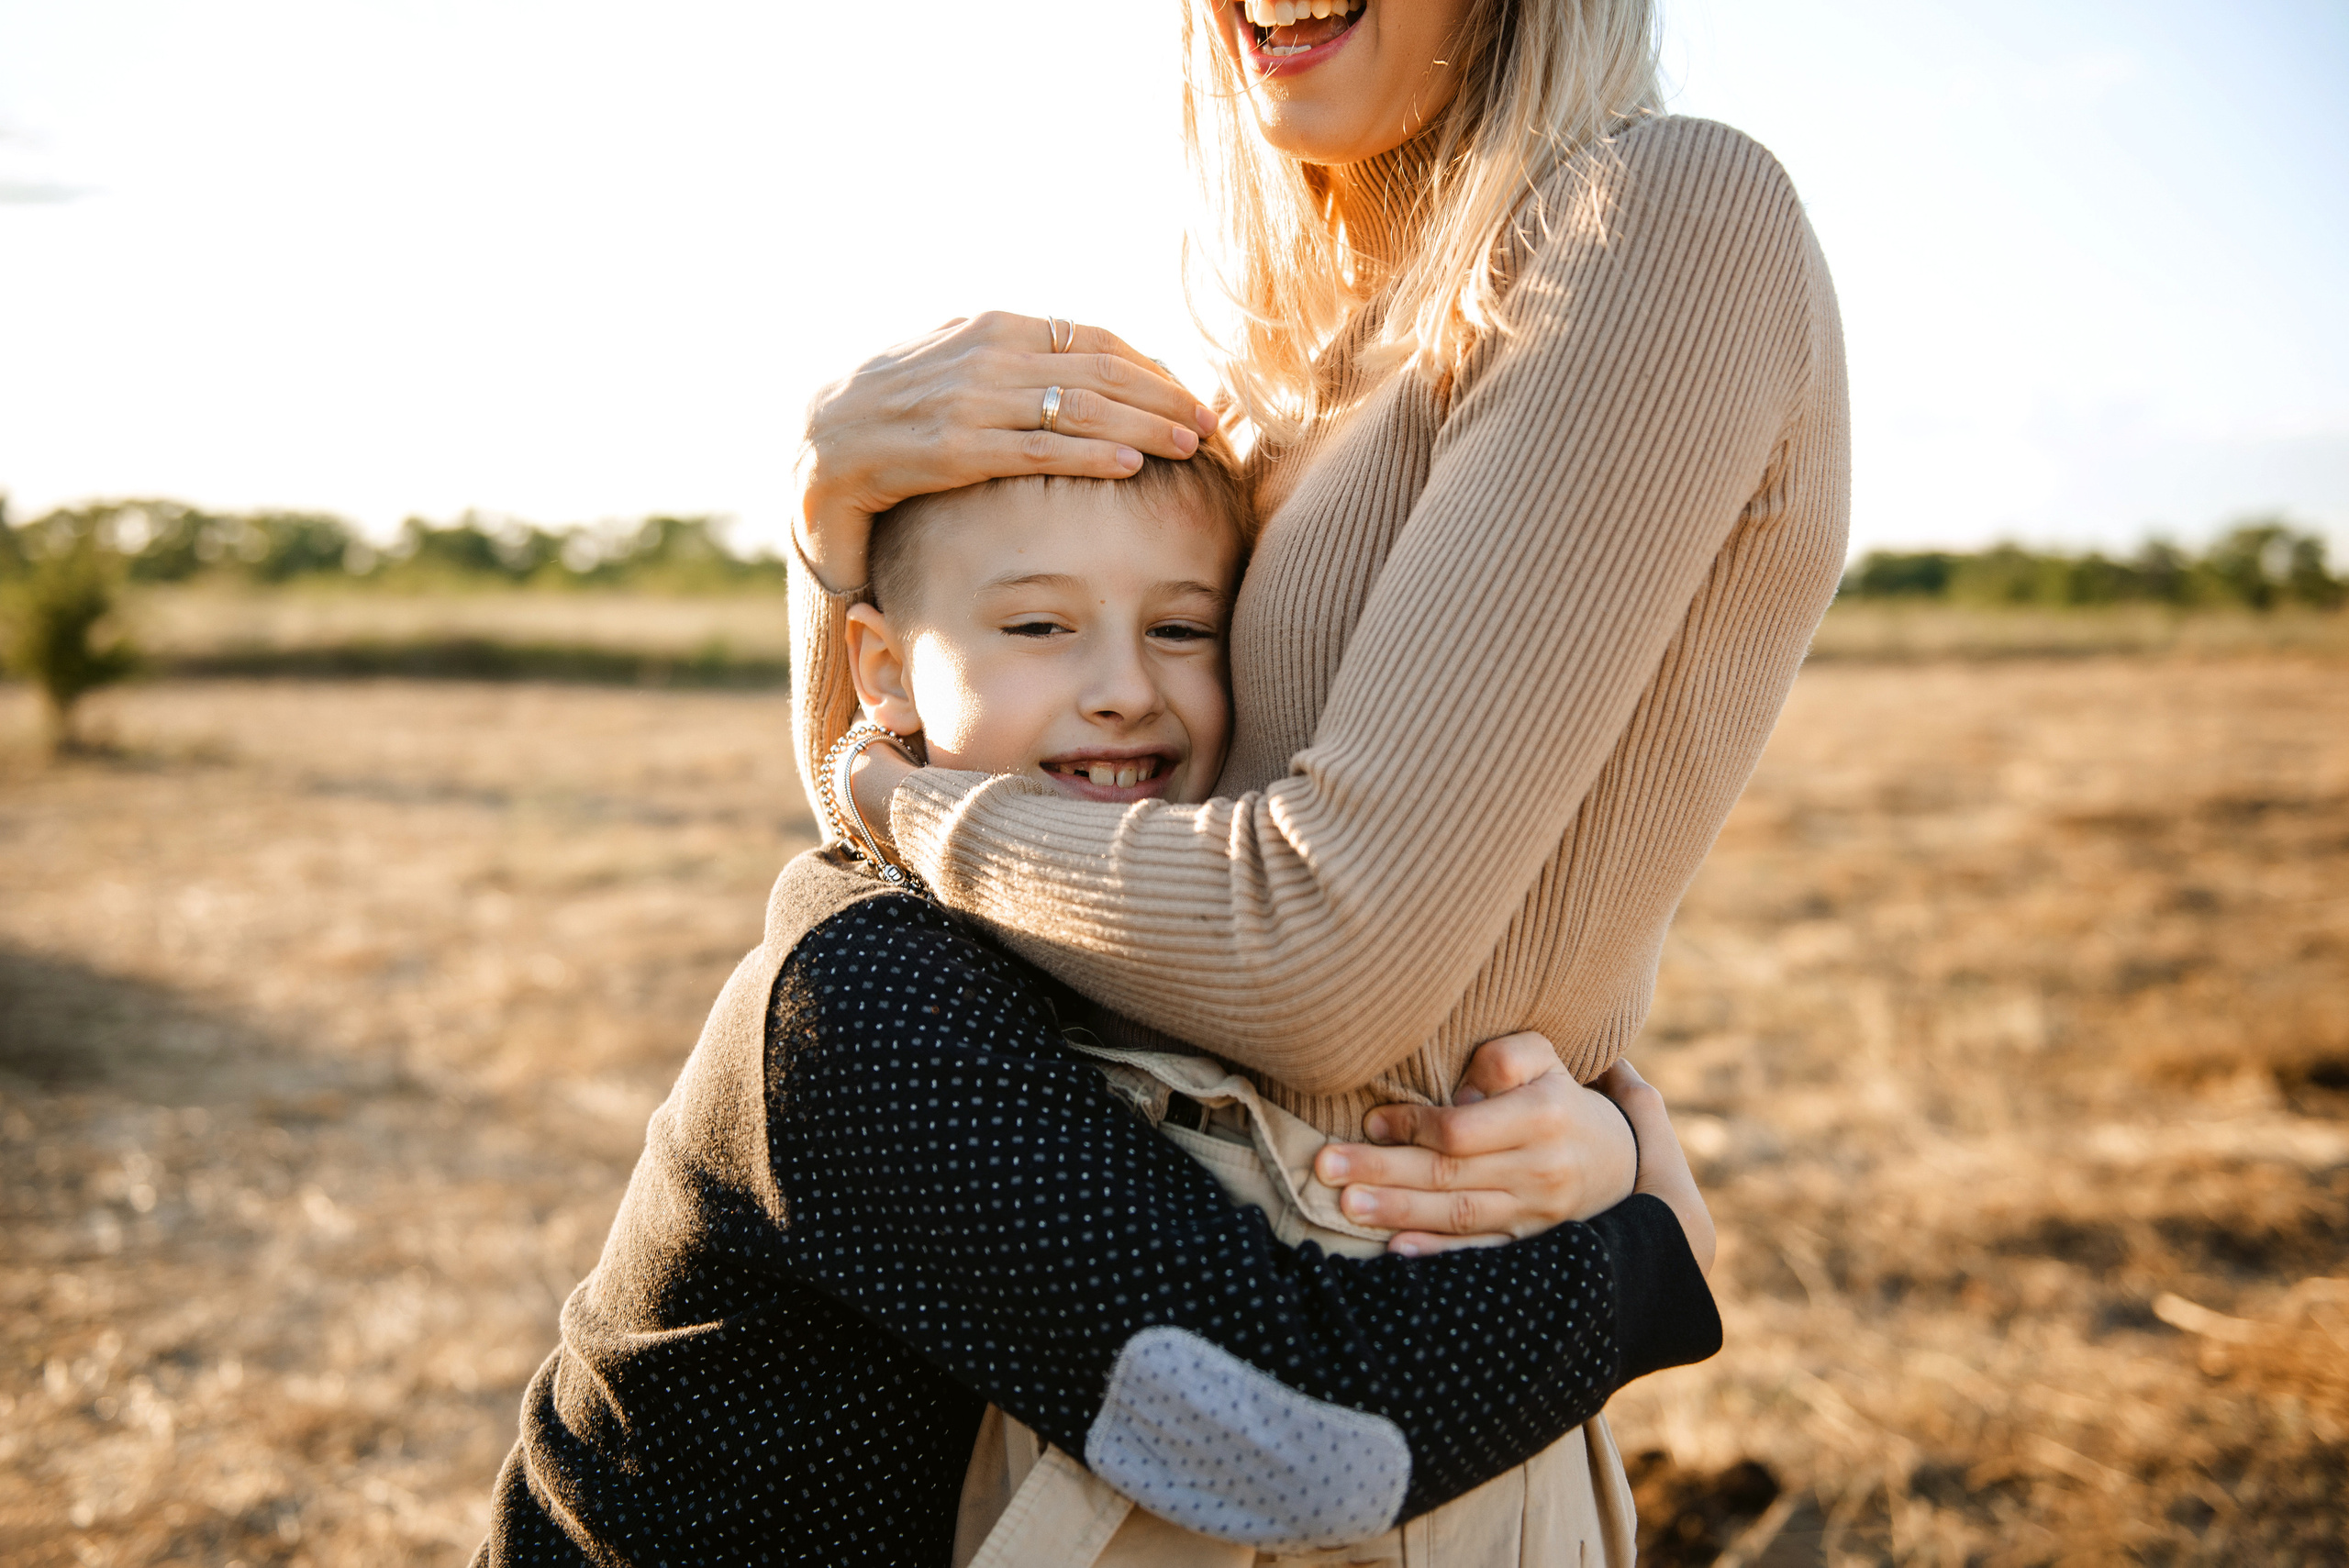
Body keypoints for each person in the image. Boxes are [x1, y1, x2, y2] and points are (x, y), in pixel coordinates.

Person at [791, 0, 1849, 1557]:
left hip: (1369, 1384)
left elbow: (1322, 957)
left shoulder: (1666, 219)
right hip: (1114, 1310)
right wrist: (834, 528)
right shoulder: (1280, 367)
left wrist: (877, 792)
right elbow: (933, 868)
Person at [473, 447, 1720, 1567]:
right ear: (883, 668)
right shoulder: (863, 996)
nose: (1124, 686)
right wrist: (1658, 1257)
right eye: (1036, 623)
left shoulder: (1107, 933)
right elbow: (1295, 1434)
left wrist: (1585, 1137)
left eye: (1186, 627)